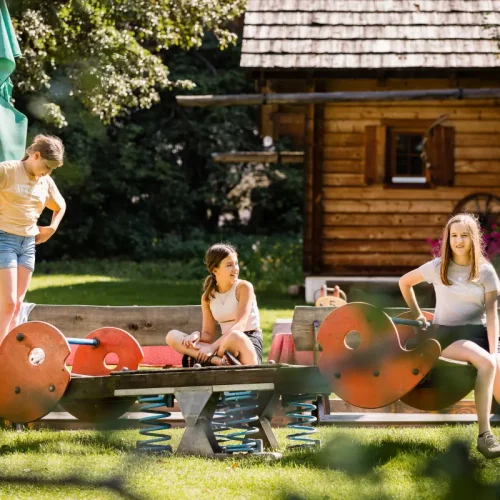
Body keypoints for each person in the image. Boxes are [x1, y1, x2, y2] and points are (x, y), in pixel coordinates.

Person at [399, 213, 500, 459]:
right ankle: (484, 436)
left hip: (477, 334)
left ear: (474, 239)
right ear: (447, 239)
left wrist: (495, 348)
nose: (458, 240)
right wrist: (417, 314)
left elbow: (492, 313)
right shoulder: (437, 267)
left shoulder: (485, 272)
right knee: (487, 363)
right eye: (454, 235)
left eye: (464, 235)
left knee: (496, 367)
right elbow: (404, 282)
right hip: (447, 337)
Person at [0, 135, 66, 343]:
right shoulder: (7, 170)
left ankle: (11, 355)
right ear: (35, 155)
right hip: (4, 240)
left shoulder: (45, 181)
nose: (48, 172)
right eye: (47, 166)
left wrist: (52, 228)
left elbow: (60, 206)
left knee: (18, 304)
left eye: (52, 169)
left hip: (28, 244)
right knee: (8, 303)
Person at [166, 243, 263, 367]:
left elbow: (240, 325)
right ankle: (218, 361)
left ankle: (211, 359)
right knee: (172, 336)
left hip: (246, 343)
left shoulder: (244, 287)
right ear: (215, 270)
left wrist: (212, 348)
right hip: (222, 348)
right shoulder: (207, 297)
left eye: (236, 263)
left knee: (235, 335)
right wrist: (195, 335)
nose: (236, 269)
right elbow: (207, 335)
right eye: (229, 265)